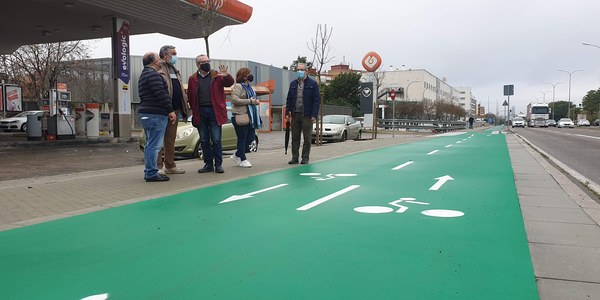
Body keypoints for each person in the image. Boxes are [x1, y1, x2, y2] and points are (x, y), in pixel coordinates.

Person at [187, 54, 234, 174]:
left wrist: (227, 75)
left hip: (215, 111)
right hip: (200, 112)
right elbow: (191, 97)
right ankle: (208, 164)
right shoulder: (192, 79)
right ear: (198, 65)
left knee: (216, 139)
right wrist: (193, 110)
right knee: (204, 139)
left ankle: (218, 164)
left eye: (208, 61)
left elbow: (229, 83)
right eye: (203, 62)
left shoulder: (217, 76)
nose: (207, 63)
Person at [137, 52, 176, 182]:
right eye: (159, 59)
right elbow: (161, 94)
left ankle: (150, 171)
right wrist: (170, 110)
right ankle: (151, 173)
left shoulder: (144, 74)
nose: (161, 61)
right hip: (155, 114)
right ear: (154, 62)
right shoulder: (153, 75)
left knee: (150, 144)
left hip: (145, 113)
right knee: (155, 145)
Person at [157, 45, 189, 175]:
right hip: (162, 110)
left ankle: (170, 166)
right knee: (159, 139)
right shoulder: (159, 69)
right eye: (173, 53)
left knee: (170, 139)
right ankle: (158, 167)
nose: (176, 56)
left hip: (174, 110)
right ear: (165, 55)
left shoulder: (175, 70)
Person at [285, 63, 320, 165]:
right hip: (295, 114)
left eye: (301, 69)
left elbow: (316, 100)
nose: (299, 71)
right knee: (295, 138)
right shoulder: (293, 84)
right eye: (298, 69)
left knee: (307, 138)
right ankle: (295, 157)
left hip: (307, 115)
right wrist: (287, 112)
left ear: (306, 71)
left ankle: (305, 157)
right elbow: (289, 99)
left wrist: (314, 115)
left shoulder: (313, 84)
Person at [230, 67, 261, 168]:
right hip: (240, 116)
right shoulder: (238, 87)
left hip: (251, 117)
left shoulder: (249, 87)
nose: (250, 75)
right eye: (248, 74)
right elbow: (234, 100)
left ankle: (237, 155)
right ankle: (243, 159)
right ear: (243, 76)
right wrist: (250, 101)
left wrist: (255, 101)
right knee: (242, 139)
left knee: (251, 138)